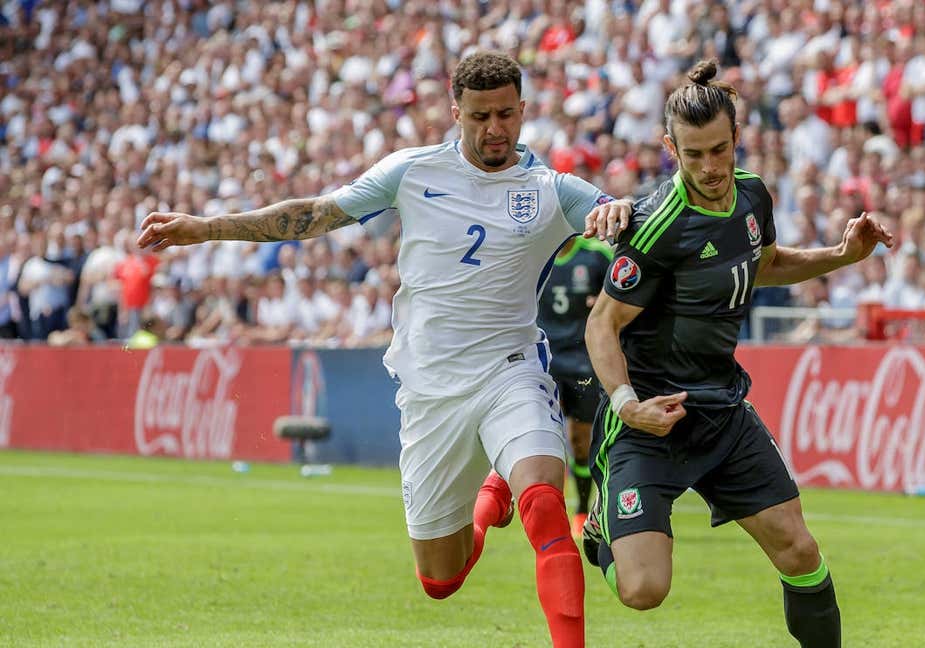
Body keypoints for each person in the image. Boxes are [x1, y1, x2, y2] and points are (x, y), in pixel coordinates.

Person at [137, 51, 633, 648]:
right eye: (480, 116)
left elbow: (635, 224)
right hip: (430, 391)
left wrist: (624, 212)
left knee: (546, 505)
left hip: (512, 371)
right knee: (440, 580)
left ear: (524, 110)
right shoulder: (413, 172)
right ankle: (486, 501)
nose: (494, 128)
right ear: (456, 112)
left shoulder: (554, 190)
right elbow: (314, 215)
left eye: (506, 114)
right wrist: (206, 227)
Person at [581, 60, 893, 647]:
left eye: (719, 150)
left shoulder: (752, 195)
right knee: (643, 590)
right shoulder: (653, 226)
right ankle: (603, 519)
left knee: (799, 549)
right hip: (651, 417)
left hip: (722, 411)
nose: (709, 167)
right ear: (670, 147)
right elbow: (603, 323)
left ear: (737, 138)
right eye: (693, 154)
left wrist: (843, 255)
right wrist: (626, 406)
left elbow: (767, 264)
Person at [535, 236, 614, 538]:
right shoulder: (537, 253)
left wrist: (604, 300)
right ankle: (539, 509)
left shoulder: (596, 256)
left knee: (581, 440)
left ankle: (582, 509)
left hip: (584, 359)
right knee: (541, 437)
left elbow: (623, 289)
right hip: (544, 359)